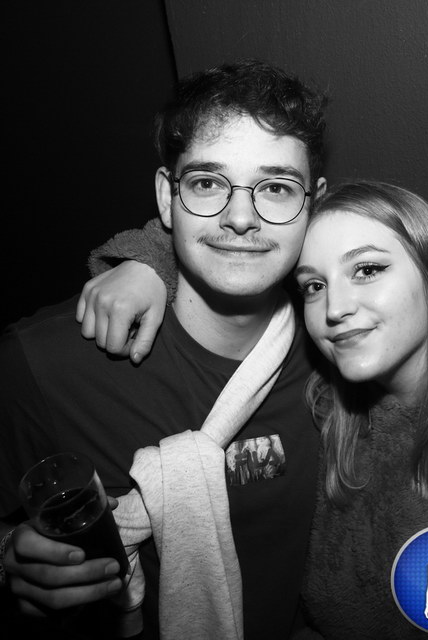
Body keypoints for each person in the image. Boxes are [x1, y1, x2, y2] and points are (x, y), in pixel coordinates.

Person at [72, 181, 428, 639]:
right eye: (314, 285)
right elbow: (243, 244)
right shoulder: (328, 401)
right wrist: (146, 263)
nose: (335, 308)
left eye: (368, 269)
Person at [0, 59, 328, 640]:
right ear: (166, 196)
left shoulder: (338, 353)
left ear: (313, 205)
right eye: (207, 183)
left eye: (277, 188)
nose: (240, 218)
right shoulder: (43, 363)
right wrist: (10, 562)